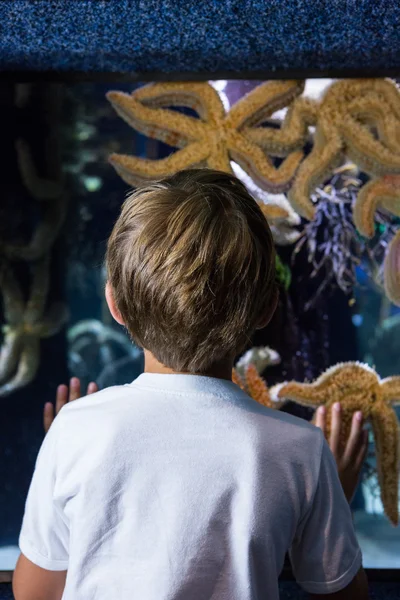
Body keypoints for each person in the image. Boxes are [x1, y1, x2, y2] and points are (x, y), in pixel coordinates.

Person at [13, 169, 369, 600]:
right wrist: (332, 496)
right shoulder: (302, 451)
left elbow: (35, 592)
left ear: (115, 304)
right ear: (267, 309)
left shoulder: (74, 429)